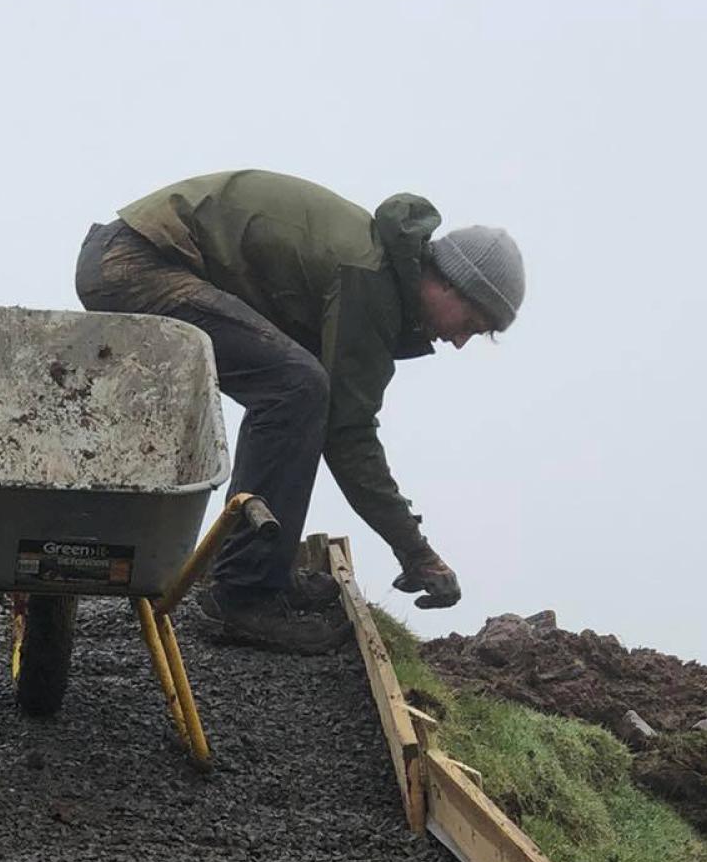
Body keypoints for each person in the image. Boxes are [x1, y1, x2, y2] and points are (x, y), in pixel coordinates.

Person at [75, 170, 525, 654]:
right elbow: (348, 434)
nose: (459, 342)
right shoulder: (370, 280)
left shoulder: (377, 271)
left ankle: (260, 569)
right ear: (451, 284)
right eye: (471, 325)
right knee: (299, 387)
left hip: (131, 257)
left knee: (298, 387)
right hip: (134, 264)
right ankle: (243, 594)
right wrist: (415, 550)